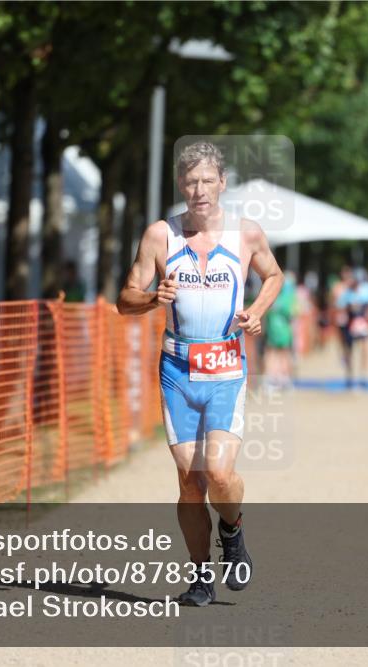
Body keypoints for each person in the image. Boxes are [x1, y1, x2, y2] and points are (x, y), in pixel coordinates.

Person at [116, 141, 283, 607]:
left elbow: (274, 276)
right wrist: (154, 298)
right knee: (191, 481)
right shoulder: (160, 236)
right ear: (180, 185)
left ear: (222, 184)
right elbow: (124, 299)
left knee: (220, 474)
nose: (199, 189)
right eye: (190, 181)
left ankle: (233, 531)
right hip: (178, 371)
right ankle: (200, 577)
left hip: (227, 369)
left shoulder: (245, 235)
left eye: (208, 180)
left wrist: (256, 311)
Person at [335, 267, 368, 388]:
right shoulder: (347, 292)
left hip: (363, 323)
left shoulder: (367, 290)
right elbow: (340, 307)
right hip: (350, 324)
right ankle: (349, 376)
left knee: (365, 349)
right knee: (349, 350)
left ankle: (363, 376)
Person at [264, 272, 299, 388]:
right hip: (276, 330)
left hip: (282, 330)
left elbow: (292, 314)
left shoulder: (284, 296)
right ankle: (274, 378)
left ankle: (282, 378)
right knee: (275, 353)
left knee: (281, 354)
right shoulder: (285, 296)